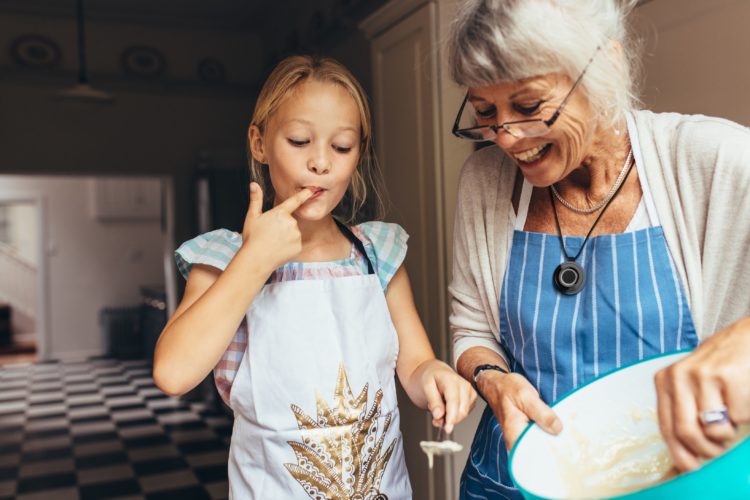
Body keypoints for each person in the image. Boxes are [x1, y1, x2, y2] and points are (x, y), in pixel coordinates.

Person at [445, 0, 750, 498]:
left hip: (670, 482)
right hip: (507, 483)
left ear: (605, 66)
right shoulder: (483, 182)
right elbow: (471, 324)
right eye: (485, 112)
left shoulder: (711, 160)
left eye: (527, 107)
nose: (505, 137)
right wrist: (493, 379)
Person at [153, 55, 476, 499]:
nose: (320, 162)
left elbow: (416, 365)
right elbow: (173, 374)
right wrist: (254, 261)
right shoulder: (222, 258)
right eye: (300, 140)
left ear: (357, 155)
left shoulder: (376, 254)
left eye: (341, 147)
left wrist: (436, 376)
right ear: (259, 142)